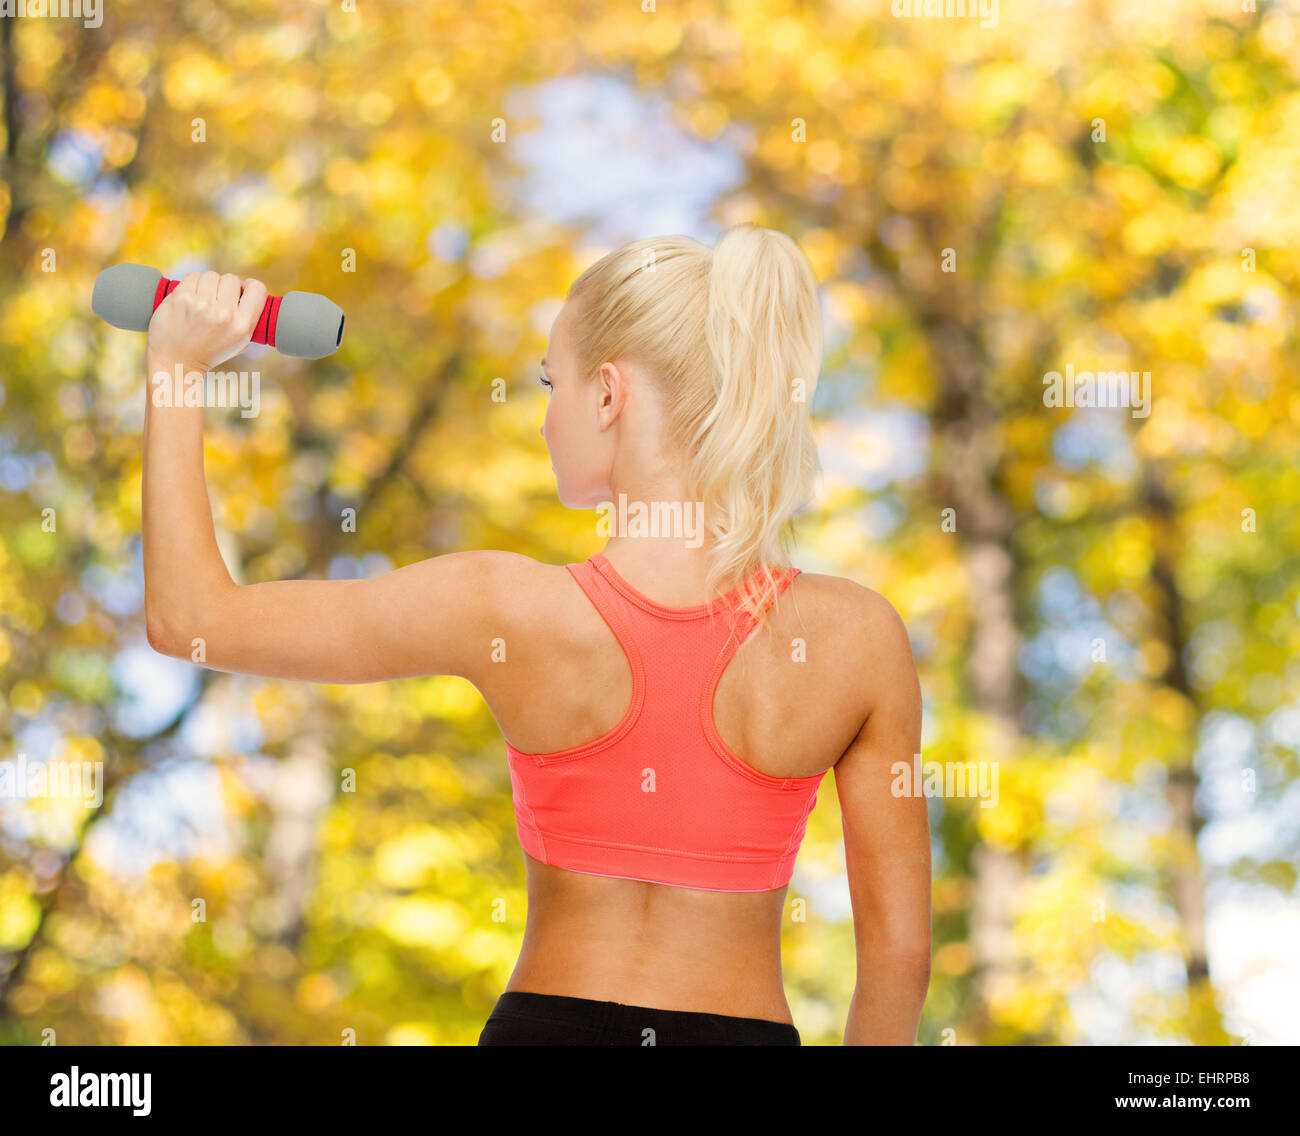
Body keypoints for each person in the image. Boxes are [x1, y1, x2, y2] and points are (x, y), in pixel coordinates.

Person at [140, 224, 931, 1045]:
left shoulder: (503, 607)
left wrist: (176, 368)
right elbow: (900, 957)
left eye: (554, 382)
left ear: (608, 395)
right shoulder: (856, 637)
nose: (549, 417)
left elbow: (189, 621)